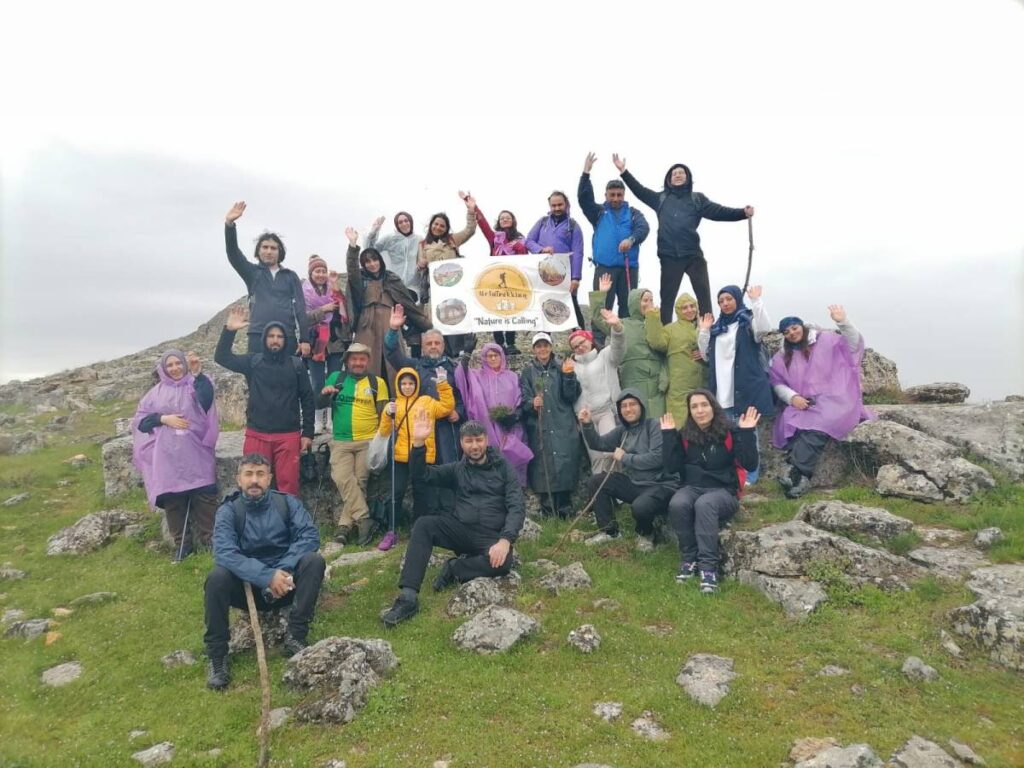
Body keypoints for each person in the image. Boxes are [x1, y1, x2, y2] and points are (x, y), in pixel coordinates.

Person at [380, 412, 525, 627]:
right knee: (424, 525)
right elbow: (423, 476)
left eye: (478, 440)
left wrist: (505, 540)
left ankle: (455, 569)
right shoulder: (457, 469)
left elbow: (517, 507)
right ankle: (408, 598)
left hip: (491, 536)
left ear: (486, 440)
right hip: (461, 530)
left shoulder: (504, 469)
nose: (474, 446)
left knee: (504, 563)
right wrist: (418, 444)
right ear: (462, 443)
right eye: (469, 441)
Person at [203, 453, 325, 690]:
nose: (254, 480)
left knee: (314, 561)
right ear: (239, 479)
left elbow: (309, 535)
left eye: (260, 474)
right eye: (248, 474)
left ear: (269, 478)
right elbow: (225, 552)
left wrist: (282, 570)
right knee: (216, 578)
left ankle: (296, 636)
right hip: (248, 588)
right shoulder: (229, 511)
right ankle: (217, 657)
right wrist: (266, 576)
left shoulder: (287, 503)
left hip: (287, 583)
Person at [612, 156, 754, 322]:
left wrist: (742, 213)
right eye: (674, 173)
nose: (678, 175)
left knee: (703, 296)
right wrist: (623, 171)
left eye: (682, 173)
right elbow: (640, 191)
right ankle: (664, 335)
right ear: (669, 179)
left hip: (693, 254)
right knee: (667, 299)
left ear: (688, 177)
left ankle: (707, 333)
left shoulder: (697, 199)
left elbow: (719, 211)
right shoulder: (661, 199)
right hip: (669, 256)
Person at [770, 306, 875, 497]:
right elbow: (777, 383)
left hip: (835, 399)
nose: (792, 333)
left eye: (794, 328)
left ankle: (794, 471)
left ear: (801, 326)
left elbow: (853, 345)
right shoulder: (782, 357)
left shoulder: (825, 340)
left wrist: (843, 321)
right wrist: (793, 398)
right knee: (794, 424)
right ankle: (800, 480)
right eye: (786, 332)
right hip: (805, 403)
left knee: (817, 427)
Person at [661, 391, 760, 594]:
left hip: (724, 491)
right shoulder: (686, 434)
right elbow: (671, 467)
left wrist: (748, 432)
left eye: (704, 405)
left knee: (705, 504)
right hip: (693, 487)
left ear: (713, 407)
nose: (700, 410)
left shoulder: (731, 431)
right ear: (689, 411)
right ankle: (689, 560)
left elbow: (750, 464)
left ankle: (708, 569)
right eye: (694, 406)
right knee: (677, 503)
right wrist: (668, 435)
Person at [215, 306, 314, 495]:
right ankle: (255, 524)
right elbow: (222, 357)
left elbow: (307, 398)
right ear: (264, 339)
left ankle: (287, 524)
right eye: (271, 336)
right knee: (254, 486)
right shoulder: (253, 362)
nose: (275, 340)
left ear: (285, 340)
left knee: (289, 488)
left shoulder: (296, 365)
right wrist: (230, 330)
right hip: (257, 434)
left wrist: (308, 432)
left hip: (288, 436)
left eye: (279, 336)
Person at [132, 349, 219, 562]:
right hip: (167, 455)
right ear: (163, 369)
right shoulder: (154, 394)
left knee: (205, 495)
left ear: (185, 364)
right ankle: (182, 546)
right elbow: (141, 422)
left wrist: (198, 374)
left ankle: (211, 542)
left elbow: (206, 400)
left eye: (178, 363)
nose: (175, 368)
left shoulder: (196, 384)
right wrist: (163, 418)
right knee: (172, 500)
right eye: (169, 365)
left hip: (196, 450)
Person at [579, 390, 676, 551]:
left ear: (642, 406)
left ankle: (645, 533)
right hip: (634, 483)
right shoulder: (622, 430)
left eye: (632, 404)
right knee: (597, 481)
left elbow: (657, 458)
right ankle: (610, 532)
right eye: (623, 406)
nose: (628, 409)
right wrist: (588, 425)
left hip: (658, 485)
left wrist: (625, 457)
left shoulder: (654, 426)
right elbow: (598, 444)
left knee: (640, 506)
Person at [697, 285, 775, 485]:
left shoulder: (747, 322)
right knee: (726, 437)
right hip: (721, 391)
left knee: (748, 434)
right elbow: (706, 354)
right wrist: (704, 330)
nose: (725, 303)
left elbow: (764, 328)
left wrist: (756, 301)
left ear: (738, 299)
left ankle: (750, 476)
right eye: (721, 301)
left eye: (729, 299)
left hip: (744, 389)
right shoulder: (718, 327)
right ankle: (732, 474)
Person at [384, 305, 466, 485]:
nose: (433, 346)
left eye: (437, 343)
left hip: (446, 429)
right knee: (422, 475)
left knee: (448, 471)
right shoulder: (414, 366)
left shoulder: (454, 369)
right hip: (420, 429)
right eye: (429, 343)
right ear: (422, 347)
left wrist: (458, 412)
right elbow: (392, 354)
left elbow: (463, 397)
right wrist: (392, 330)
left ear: (443, 346)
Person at [376, 366, 455, 549]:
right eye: (403, 383)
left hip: (422, 455)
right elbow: (384, 431)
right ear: (398, 385)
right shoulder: (394, 405)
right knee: (396, 493)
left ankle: (418, 529)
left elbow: (446, 407)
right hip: (401, 456)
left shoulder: (427, 401)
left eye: (411, 383)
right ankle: (391, 530)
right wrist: (388, 414)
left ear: (417, 384)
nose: (407, 386)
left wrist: (442, 384)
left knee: (423, 494)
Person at [319, 342, 388, 545]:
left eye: (362, 359)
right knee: (341, 477)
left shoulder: (377, 383)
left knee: (360, 482)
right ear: (347, 361)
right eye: (354, 359)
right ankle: (365, 519)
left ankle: (344, 528)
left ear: (367, 361)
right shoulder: (336, 378)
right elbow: (319, 403)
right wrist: (325, 394)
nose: (358, 363)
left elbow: (383, 413)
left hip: (367, 441)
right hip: (341, 440)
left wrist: (381, 442)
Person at [345, 227, 430, 388]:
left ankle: (395, 403)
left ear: (380, 260)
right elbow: (352, 269)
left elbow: (409, 306)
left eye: (374, 260)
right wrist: (353, 246)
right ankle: (367, 403)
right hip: (366, 326)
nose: (372, 264)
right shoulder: (360, 280)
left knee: (392, 365)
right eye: (367, 262)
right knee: (367, 363)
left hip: (390, 323)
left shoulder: (391, 278)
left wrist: (428, 326)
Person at [224, 201, 310, 356]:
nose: (269, 251)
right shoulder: (252, 272)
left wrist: (305, 339)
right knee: (257, 378)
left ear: (280, 252)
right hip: (257, 335)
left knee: (288, 379)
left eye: (273, 248)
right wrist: (229, 225)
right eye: (264, 247)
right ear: (258, 251)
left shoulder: (291, 276)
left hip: (286, 336)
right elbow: (233, 254)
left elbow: (300, 309)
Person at [577, 153, 650, 319]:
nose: (616, 198)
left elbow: (643, 228)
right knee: (602, 306)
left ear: (624, 195)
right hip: (604, 267)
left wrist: (631, 239)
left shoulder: (633, 213)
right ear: (606, 196)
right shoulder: (598, 213)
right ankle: (600, 342)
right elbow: (584, 199)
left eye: (619, 195)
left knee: (628, 307)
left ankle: (627, 341)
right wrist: (586, 174)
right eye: (612, 195)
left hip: (628, 267)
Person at [519, 332, 582, 518]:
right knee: (543, 462)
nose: (542, 349)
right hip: (540, 426)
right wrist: (532, 403)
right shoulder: (528, 372)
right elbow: (523, 399)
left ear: (551, 347)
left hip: (562, 422)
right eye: (538, 346)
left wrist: (569, 376)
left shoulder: (562, 367)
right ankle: (548, 509)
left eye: (545, 345)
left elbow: (571, 396)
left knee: (564, 462)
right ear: (533, 350)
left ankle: (565, 507)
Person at [454, 342, 533, 485]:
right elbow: (461, 376)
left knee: (512, 466)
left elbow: (520, 399)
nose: (492, 359)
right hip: (488, 428)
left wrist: (514, 416)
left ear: (501, 356)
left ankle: (514, 492)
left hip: (510, 428)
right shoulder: (477, 376)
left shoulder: (512, 377)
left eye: (495, 355)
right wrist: (466, 355)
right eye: (488, 356)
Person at [591, 274, 668, 419]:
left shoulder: (657, 323)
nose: (649, 303)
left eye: (651, 300)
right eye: (645, 300)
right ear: (634, 302)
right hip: (633, 381)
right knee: (638, 423)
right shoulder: (622, 324)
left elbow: (664, 350)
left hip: (658, 387)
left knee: (659, 429)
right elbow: (597, 317)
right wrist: (601, 294)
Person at [417, 193, 479, 356]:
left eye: (442, 226)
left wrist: (471, 210)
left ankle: (456, 354)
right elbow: (420, 263)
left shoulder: (453, 240)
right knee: (438, 322)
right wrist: (421, 263)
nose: (438, 227)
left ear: (446, 228)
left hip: (454, 289)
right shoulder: (423, 244)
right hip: (434, 292)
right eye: (436, 224)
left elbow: (470, 230)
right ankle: (439, 354)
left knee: (455, 319)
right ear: (431, 225)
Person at [569, 312, 624, 474]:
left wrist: (617, 328)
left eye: (582, 342)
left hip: (606, 411)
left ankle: (620, 495)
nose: (579, 347)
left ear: (590, 340)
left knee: (610, 453)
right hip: (586, 418)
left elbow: (619, 347)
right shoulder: (570, 365)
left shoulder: (605, 355)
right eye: (575, 346)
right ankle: (601, 495)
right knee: (596, 457)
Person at [303, 254, 349, 434]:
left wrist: (337, 292)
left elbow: (345, 313)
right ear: (311, 273)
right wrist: (324, 309)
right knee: (317, 383)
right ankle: (317, 420)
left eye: (323, 271)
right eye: (317, 271)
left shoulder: (333, 290)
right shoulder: (304, 292)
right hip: (316, 343)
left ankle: (331, 419)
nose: (321, 274)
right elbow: (303, 318)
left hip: (335, 342)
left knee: (334, 380)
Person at [526, 190, 586, 328]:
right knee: (544, 305)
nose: (557, 208)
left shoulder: (573, 226)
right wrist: (541, 249)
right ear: (549, 206)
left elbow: (578, 252)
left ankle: (583, 338)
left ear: (566, 204)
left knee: (571, 304)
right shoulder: (542, 222)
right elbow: (528, 241)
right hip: (544, 274)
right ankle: (544, 342)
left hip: (566, 275)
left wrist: (576, 278)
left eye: (560, 205)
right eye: (554, 205)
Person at [645, 292, 707, 425]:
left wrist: (706, 353)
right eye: (684, 308)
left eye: (692, 306)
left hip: (703, 386)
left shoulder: (704, 327)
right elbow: (657, 342)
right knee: (681, 427)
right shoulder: (670, 330)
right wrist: (652, 316)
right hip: (679, 390)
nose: (689, 310)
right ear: (678, 311)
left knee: (703, 426)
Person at [475, 203, 529, 354]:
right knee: (495, 311)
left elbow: (526, 259)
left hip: (513, 282)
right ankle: (499, 343)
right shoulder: (494, 238)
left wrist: (518, 247)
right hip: (494, 281)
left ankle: (510, 343)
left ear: (513, 220)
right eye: (501, 218)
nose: (504, 220)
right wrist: (474, 208)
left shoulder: (520, 239)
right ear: (498, 222)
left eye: (507, 217)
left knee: (511, 310)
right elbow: (483, 224)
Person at [366, 212, 421, 292]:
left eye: (406, 220)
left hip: (413, 287)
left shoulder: (419, 239)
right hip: (394, 285)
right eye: (400, 222)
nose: (404, 224)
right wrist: (374, 232)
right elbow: (370, 251)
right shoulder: (390, 239)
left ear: (411, 222)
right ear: (397, 225)